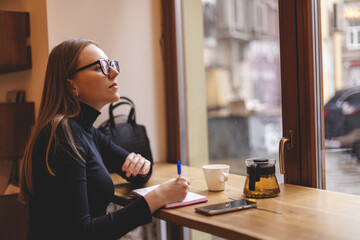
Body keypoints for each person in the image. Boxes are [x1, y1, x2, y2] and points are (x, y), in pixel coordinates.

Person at [19, 39, 190, 240]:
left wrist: (141, 165)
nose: (113, 72)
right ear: (71, 85)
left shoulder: (85, 131)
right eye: (99, 67)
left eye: (111, 64)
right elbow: (83, 233)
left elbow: (137, 173)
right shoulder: (62, 134)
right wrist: (159, 196)